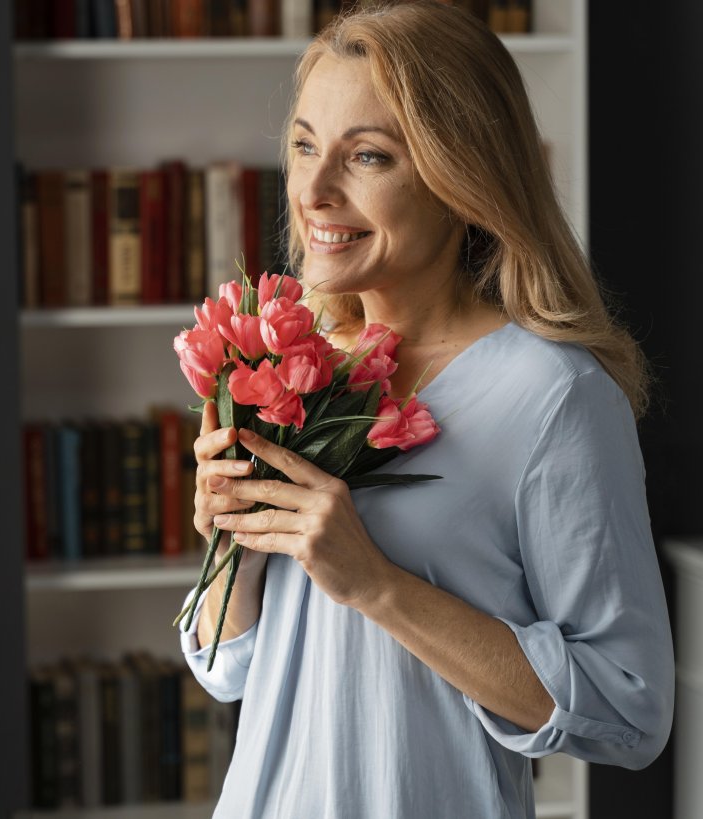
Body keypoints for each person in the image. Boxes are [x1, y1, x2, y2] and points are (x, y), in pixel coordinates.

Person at [179, 2, 675, 817]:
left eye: (366, 155)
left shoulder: (554, 397)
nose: (314, 190)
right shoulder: (291, 365)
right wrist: (231, 542)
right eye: (305, 146)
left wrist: (375, 583)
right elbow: (225, 667)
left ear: (462, 177)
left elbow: (628, 708)